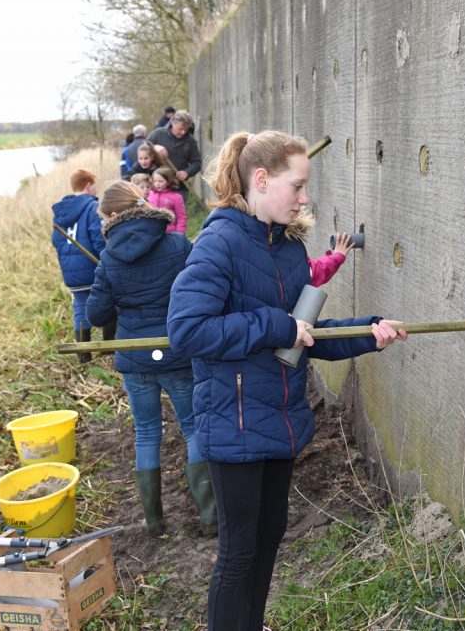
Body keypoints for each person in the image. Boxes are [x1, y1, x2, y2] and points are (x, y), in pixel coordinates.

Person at [166, 130, 407, 630]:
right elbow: (186, 330)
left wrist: (368, 332)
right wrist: (275, 324)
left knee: (270, 533)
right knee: (238, 551)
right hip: (233, 425)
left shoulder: (289, 249)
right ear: (261, 179)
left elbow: (304, 335)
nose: (303, 198)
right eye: (296, 186)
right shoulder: (220, 241)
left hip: (278, 417)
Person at [85, 181, 216, 537]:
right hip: (177, 351)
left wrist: (114, 290)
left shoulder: (110, 257)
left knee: (146, 434)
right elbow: (203, 285)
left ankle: (154, 521)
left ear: (113, 216)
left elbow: (96, 314)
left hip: (135, 356)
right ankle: (210, 516)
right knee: (192, 427)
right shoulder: (176, 242)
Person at [51, 169, 114, 363]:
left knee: (80, 308)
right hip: (94, 267)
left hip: (72, 272)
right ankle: (108, 350)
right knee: (110, 303)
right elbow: (98, 238)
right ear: (88, 185)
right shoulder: (92, 207)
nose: (96, 189)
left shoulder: (61, 210)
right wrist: (108, 260)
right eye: (94, 185)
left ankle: (83, 355)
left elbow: (57, 240)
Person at [148, 110, 201, 198]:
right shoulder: (158, 133)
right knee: (153, 209)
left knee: (178, 211)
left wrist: (187, 173)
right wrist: (154, 147)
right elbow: (143, 148)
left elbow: (197, 163)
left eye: (186, 129)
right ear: (173, 123)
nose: (183, 132)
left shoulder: (190, 141)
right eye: (180, 129)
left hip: (179, 188)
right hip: (156, 186)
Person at [147, 167, 187, 234]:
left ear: (168, 182)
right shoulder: (151, 194)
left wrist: (180, 234)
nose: (157, 184)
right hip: (152, 231)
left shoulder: (176, 197)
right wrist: (137, 201)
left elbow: (181, 217)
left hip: (169, 232)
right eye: (155, 181)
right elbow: (144, 202)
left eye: (160, 181)